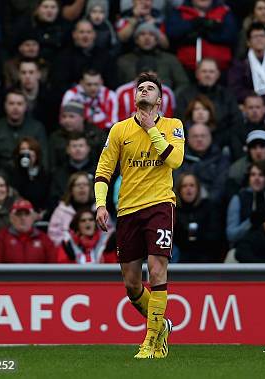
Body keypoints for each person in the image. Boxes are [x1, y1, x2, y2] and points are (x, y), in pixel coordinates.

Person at [95, 72, 184, 359]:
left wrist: (152, 130)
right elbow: (103, 170)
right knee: (132, 283)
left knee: (157, 269)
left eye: (150, 88)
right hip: (128, 209)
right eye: (140, 88)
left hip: (160, 204)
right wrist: (100, 204)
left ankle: (150, 341)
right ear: (134, 98)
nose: (144, 91)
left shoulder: (173, 126)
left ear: (159, 99)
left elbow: (175, 160)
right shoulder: (119, 130)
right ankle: (162, 326)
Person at [0, 89, 48, 175]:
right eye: (11, 103)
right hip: (3, 178)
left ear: (26, 106)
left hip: (30, 176)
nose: (15, 107)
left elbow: (44, 158)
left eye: (19, 104)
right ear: (5, 106)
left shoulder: (37, 128)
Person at [175, 59, 243, 137]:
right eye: (204, 71)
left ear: (218, 74)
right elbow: (178, 122)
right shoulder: (185, 95)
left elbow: (236, 122)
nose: (208, 75)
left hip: (222, 142)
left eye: (211, 72)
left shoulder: (227, 96)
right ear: (197, 74)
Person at [166, 0, 238, 72]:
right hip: (185, 69)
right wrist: (193, 23)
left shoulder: (224, 11)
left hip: (220, 70)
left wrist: (206, 33)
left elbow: (230, 35)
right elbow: (172, 33)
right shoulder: (180, 11)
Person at [116, 23, 188, 90]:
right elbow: (116, 86)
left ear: (156, 40)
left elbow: (183, 84)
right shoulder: (124, 61)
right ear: (136, 40)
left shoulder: (170, 59)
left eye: (151, 34)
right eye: (142, 34)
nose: (147, 38)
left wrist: (169, 97)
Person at [0, 199, 56, 263]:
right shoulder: (0, 239)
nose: (23, 218)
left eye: (27, 214)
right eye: (19, 214)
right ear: (11, 218)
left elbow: (54, 267)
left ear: (33, 217)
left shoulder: (44, 239)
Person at [173, 173, 226, 263]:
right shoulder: (173, 211)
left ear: (198, 189)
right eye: (184, 186)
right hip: (180, 258)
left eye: (192, 185)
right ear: (179, 190)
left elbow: (215, 237)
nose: (188, 189)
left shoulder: (209, 207)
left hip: (207, 258)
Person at [227, 161, 265, 244]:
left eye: (261, 175)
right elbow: (231, 235)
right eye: (253, 175)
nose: (256, 178)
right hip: (245, 246)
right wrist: (251, 222)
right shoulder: (238, 198)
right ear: (248, 178)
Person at [175, 123, 230, 205]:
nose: (199, 139)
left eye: (203, 136)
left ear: (210, 137)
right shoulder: (179, 158)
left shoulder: (220, 159)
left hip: (212, 207)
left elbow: (220, 187)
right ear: (187, 139)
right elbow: (176, 185)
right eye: (195, 136)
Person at [48, 101, 106, 170]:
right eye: (64, 116)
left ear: (82, 117)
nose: (67, 120)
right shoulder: (56, 138)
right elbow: (51, 164)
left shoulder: (97, 135)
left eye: (71, 116)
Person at [48, 172, 95, 246]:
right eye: (78, 185)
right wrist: (68, 247)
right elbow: (53, 236)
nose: (81, 187)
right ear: (71, 190)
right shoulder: (61, 210)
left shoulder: (99, 209)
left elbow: (107, 234)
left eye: (85, 184)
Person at [49, 133, 97, 206]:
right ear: (67, 150)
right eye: (74, 146)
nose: (78, 149)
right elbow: (54, 197)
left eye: (81, 146)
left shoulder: (98, 171)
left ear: (88, 148)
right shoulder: (59, 173)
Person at [10, 136, 50, 213]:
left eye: (31, 149)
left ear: (36, 153)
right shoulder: (12, 173)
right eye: (23, 149)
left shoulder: (45, 174)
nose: (27, 152)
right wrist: (24, 171)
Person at [227, 129, 265, 196]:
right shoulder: (237, 169)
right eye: (254, 147)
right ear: (248, 151)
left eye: (262, 146)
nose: (258, 151)